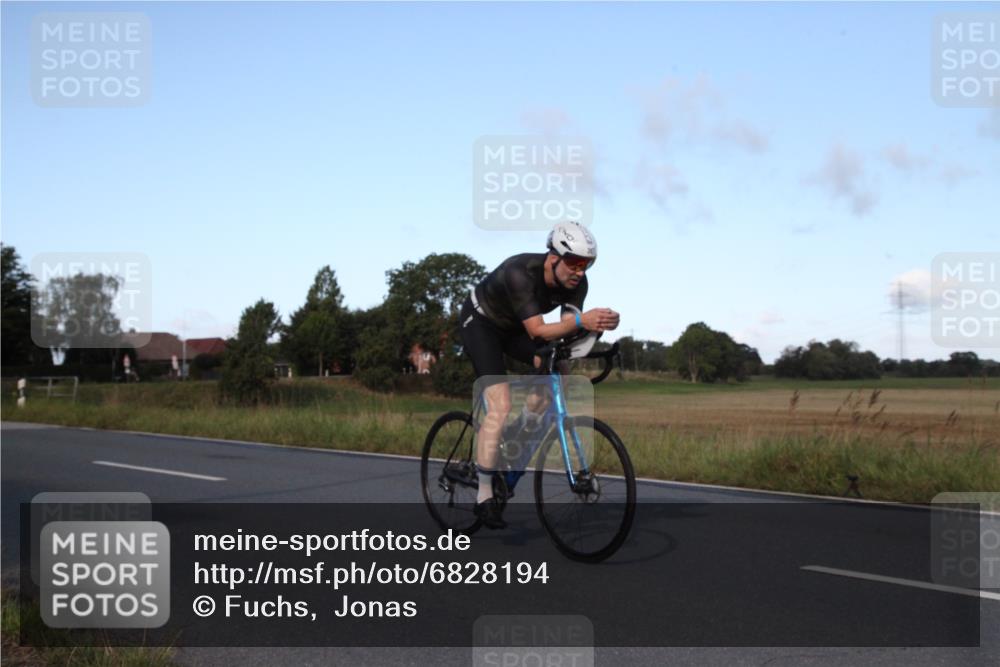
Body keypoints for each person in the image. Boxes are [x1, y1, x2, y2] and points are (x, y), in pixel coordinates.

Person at [458, 221, 620, 528]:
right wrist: (583, 321)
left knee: (555, 375)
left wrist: (594, 333)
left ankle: (515, 435)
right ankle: (484, 496)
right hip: (481, 323)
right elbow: (538, 330)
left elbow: (567, 332)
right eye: (573, 263)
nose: (579, 271)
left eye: (586, 265)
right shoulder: (521, 272)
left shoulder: (577, 284)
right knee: (501, 404)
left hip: (514, 329)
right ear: (553, 257)